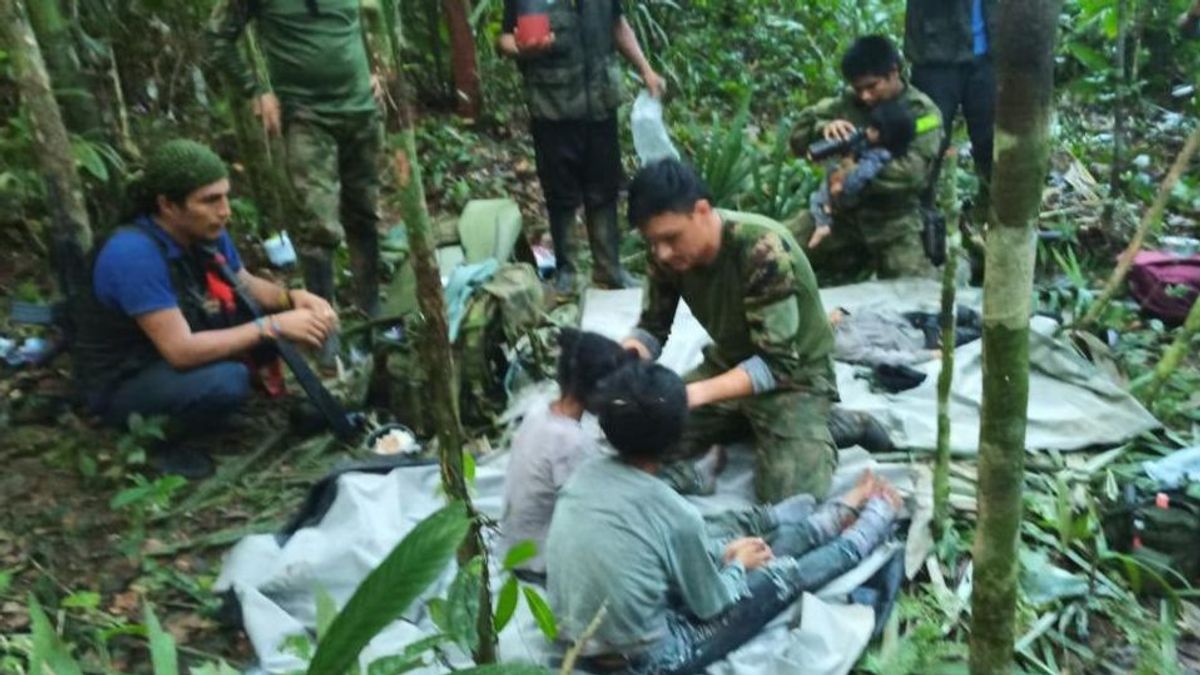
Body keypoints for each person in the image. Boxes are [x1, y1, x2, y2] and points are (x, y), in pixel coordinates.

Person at [545, 361, 900, 674]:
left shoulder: (583, 477)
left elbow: (651, 551)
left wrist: (729, 556)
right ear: (676, 437)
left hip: (591, 640)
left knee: (741, 550)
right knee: (779, 575)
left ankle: (830, 519)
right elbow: (710, 604)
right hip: (650, 660)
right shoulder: (675, 513)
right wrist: (734, 568)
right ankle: (867, 528)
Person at [73, 140, 337, 478]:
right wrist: (274, 326)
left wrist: (292, 298)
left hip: (178, 341)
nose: (224, 210)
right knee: (227, 381)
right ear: (167, 205)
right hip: (127, 378)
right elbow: (180, 351)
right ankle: (156, 441)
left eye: (225, 196)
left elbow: (243, 283)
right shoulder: (133, 255)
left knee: (259, 322)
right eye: (210, 200)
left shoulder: (204, 230)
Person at [622, 159, 838, 502]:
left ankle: (832, 424)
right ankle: (744, 422)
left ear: (702, 211)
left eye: (671, 238)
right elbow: (653, 326)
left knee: (793, 497)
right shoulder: (666, 254)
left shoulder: (761, 249)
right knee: (636, 437)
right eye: (652, 242)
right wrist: (627, 357)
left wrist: (692, 395)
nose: (662, 252)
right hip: (729, 363)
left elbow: (777, 364)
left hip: (796, 377)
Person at [209, 0, 385, 368]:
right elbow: (216, 37)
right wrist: (256, 91)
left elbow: (369, 16)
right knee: (318, 224)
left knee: (365, 214)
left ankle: (373, 315)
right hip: (306, 115)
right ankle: (323, 327)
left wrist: (377, 67)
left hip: (361, 110)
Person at [498, 0, 664, 295]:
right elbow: (504, 39)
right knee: (560, 193)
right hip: (552, 108)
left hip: (600, 105)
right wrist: (524, 48)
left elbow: (618, 25)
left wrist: (646, 69)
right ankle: (567, 273)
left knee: (604, 188)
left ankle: (609, 269)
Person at [790, 35, 943, 283]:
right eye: (859, 88)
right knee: (775, 252)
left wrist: (851, 173)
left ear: (894, 72)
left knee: (919, 296)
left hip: (893, 223)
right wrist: (824, 128)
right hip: (840, 217)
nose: (865, 97)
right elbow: (797, 140)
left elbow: (911, 174)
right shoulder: (848, 101)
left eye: (872, 87)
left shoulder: (922, 112)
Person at [499, 328, 635, 579]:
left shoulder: (540, 410)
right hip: (537, 562)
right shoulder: (572, 442)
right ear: (598, 391)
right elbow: (598, 509)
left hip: (513, 545)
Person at [905, 0, 997, 208]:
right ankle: (921, 217)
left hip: (988, 55)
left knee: (990, 139)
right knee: (929, 138)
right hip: (936, 56)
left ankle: (989, 212)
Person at [808, 99, 917, 250]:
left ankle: (822, 224)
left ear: (884, 135)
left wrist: (843, 186)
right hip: (847, 195)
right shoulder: (872, 146)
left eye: (873, 129)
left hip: (850, 196)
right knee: (827, 180)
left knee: (816, 199)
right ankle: (826, 212)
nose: (868, 131)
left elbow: (861, 175)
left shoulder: (878, 156)